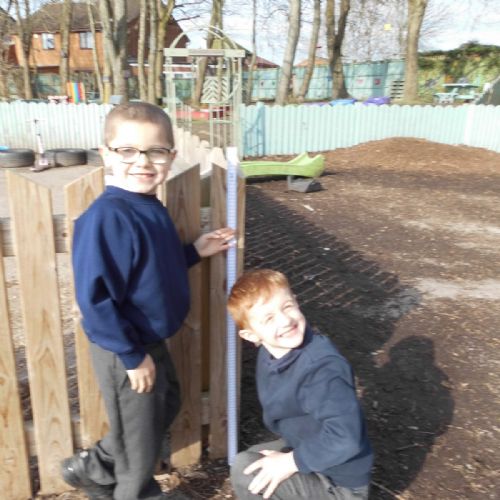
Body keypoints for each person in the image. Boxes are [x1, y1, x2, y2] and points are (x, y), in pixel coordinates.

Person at [61, 101, 234, 500]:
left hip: (147, 339)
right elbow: (95, 298)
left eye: (155, 151)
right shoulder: (108, 217)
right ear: (106, 154)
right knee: (139, 445)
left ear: (171, 156)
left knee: (165, 404)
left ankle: (94, 467)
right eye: (127, 151)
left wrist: (194, 251)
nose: (142, 162)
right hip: (123, 344)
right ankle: (134, 492)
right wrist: (131, 355)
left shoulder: (149, 206)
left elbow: (152, 267)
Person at [227, 269, 373, 500]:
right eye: (269, 318)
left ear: (296, 301)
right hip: (305, 447)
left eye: (287, 307)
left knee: (247, 469)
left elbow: (346, 437)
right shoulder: (272, 352)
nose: (285, 320)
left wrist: (290, 462)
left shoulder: (321, 369)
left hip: (340, 485)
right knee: (253, 459)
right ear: (252, 336)